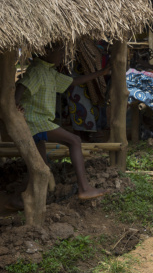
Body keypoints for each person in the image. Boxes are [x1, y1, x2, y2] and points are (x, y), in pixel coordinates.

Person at [15, 45, 111, 200]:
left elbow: (72, 82)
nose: (62, 54)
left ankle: (16, 200)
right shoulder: (37, 71)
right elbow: (21, 86)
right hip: (35, 121)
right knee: (74, 141)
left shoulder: (48, 71)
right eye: (59, 51)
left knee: (40, 165)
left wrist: (101, 73)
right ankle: (84, 188)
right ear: (45, 52)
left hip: (38, 122)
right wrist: (15, 104)